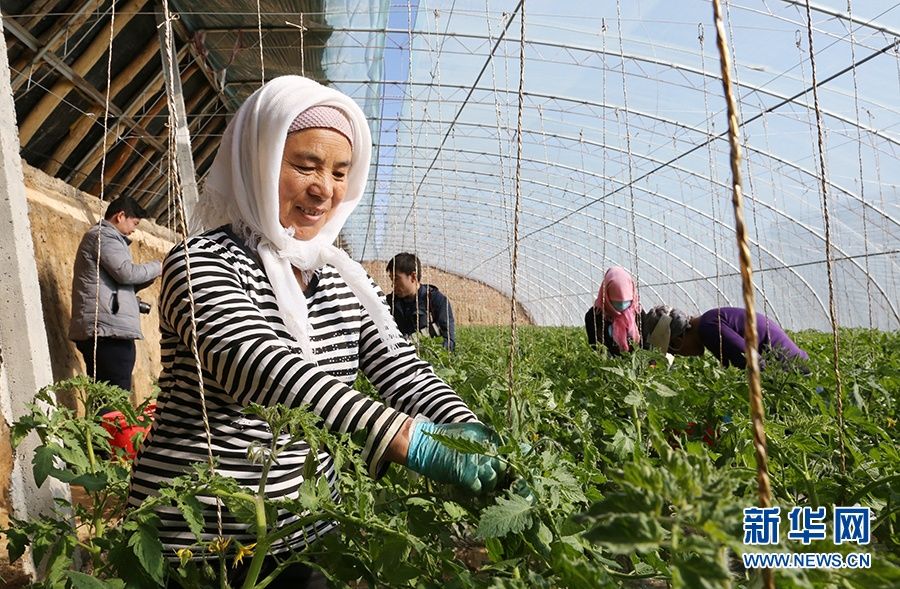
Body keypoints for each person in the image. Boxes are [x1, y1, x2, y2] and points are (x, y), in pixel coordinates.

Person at [127, 76, 505, 586]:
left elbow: (396, 363)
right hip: (197, 543)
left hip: (304, 534)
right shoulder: (199, 263)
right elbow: (258, 366)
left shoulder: (341, 276)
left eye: (339, 171)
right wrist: (405, 439)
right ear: (258, 161)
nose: (324, 187)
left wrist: (463, 428)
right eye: (304, 165)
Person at [69, 195, 161, 392]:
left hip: (107, 330)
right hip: (107, 332)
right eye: (134, 223)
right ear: (120, 216)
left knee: (107, 397)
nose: (134, 230)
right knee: (114, 398)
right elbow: (126, 273)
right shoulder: (103, 237)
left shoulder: (105, 239)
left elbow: (119, 281)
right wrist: (159, 265)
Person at [640, 305, 809, 370]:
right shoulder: (709, 322)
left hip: (793, 373)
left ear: (677, 341)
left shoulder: (709, 328)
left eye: (674, 352)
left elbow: (757, 364)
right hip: (792, 367)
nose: (681, 355)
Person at [385, 252, 456, 351]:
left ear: (413, 277)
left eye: (396, 279)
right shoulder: (389, 303)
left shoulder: (435, 300)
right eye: (391, 280)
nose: (393, 285)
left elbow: (448, 341)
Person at [584, 267, 641, 356]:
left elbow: (646, 343)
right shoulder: (594, 316)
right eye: (616, 302)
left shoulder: (637, 313)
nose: (622, 306)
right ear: (606, 295)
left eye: (626, 301)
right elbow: (596, 346)